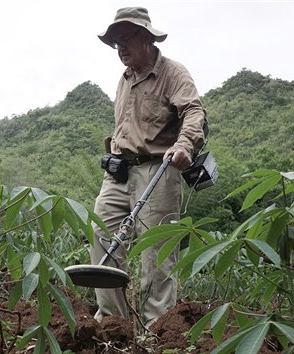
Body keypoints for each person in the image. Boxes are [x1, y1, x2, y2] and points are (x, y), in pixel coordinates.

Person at [91, 7, 207, 327]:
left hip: (157, 170)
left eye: (126, 40)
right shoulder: (125, 78)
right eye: (116, 44)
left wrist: (184, 145)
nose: (121, 49)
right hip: (118, 172)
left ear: (146, 36)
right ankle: (112, 325)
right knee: (103, 234)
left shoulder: (172, 73)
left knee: (156, 252)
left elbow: (194, 113)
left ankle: (156, 329)